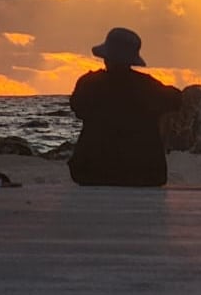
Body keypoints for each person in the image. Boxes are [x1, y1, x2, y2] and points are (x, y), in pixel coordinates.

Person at [68, 27, 183, 186]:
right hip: (143, 173)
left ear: (106, 58)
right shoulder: (147, 86)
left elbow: (77, 107)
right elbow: (176, 100)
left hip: (91, 172)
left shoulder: (88, 83)